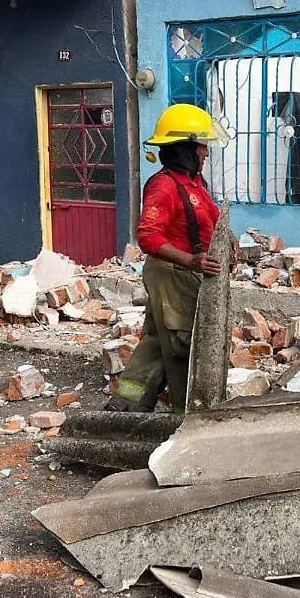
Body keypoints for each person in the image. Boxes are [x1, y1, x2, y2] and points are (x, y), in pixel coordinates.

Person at [106, 103, 228, 415]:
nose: (206, 152)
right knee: (181, 345)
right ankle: (183, 414)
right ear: (185, 148)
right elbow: (148, 237)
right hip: (172, 274)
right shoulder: (164, 186)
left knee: (157, 342)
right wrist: (192, 261)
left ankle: (126, 405)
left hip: (185, 273)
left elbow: (211, 219)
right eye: (202, 145)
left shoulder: (194, 183)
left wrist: (230, 240)